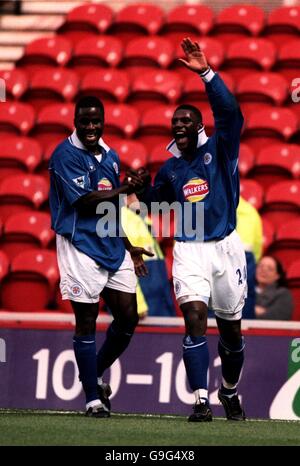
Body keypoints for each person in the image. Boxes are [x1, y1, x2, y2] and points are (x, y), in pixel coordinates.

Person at [127, 38, 247, 422]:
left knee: (231, 333)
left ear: (199, 126)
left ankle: (228, 391)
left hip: (226, 249)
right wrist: (140, 187)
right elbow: (153, 203)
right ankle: (200, 399)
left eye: (185, 121)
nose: (178, 125)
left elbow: (230, 113)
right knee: (195, 316)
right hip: (189, 249)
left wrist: (206, 74)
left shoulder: (222, 149)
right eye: (174, 122)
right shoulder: (172, 169)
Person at [49, 96, 153, 418]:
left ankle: (92, 372)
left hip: (111, 245)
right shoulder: (64, 155)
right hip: (79, 244)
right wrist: (127, 188)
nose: (91, 126)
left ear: (103, 120)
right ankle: (93, 399)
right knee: (87, 321)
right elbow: (84, 202)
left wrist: (129, 245)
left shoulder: (110, 155)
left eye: (96, 121)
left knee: (128, 316)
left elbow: (111, 209)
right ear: (75, 121)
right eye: (85, 121)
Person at [236, 196, 263, 319]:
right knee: (245, 296)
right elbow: (257, 245)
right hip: (246, 256)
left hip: (213, 252)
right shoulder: (250, 210)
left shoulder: (203, 203)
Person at [255, 256, 293, 320]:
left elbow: (279, 317)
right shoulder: (244, 290)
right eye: (261, 266)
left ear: (277, 276)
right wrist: (258, 311)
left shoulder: (283, 293)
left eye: (270, 268)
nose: (264, 270)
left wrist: (250, 309)